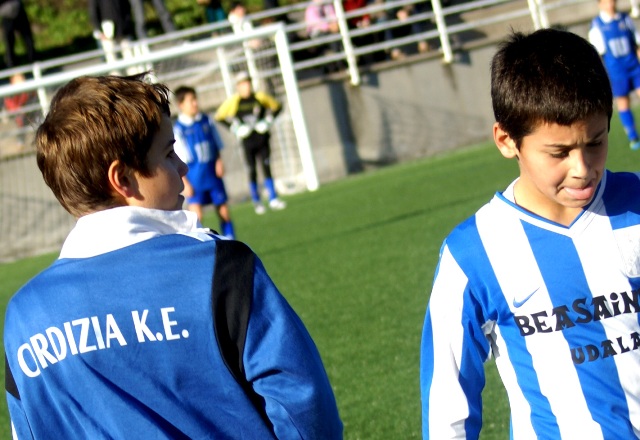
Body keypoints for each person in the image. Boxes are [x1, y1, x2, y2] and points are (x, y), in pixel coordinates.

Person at [4, 73, 343, 439]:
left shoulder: (24, 316)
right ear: (123, 179)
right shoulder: (219, 268)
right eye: (168, 153)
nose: (183, 167)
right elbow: (304, 408)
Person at [420, 28, 640, 438]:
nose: (582, 168)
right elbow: (448, 401)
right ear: (507, 140)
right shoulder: (474, 252)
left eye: (595, 143)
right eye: (559, 152)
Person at [214, 71, 287, 214]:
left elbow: (277, 107)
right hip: (247, 141)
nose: (246, 86)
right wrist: (235, 128)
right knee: (252, 169)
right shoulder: (234, 101)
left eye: (247, 83)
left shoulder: (260, 97)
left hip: (262, 138)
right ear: (238, 86)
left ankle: (273, 198)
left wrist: (268, 121)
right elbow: (219, 116)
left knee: (266, 167)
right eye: (242, 84)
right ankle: (257, 201)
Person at [173, 85, 236, 239]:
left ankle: (231, 241)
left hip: (212, 174)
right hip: (194, 178)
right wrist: (185, 183)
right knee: (197, 217)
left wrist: (219, 161)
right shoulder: (179, 129)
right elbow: (179, 159)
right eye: (191, 100)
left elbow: (216, 144)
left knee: (224, 212)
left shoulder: (206, 121)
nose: (195, 103)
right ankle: (200, 246)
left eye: (195, 99)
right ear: (181, 105)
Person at [589, 0, 640, 151]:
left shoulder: (625, 19)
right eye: (606, 1)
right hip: (617, 72)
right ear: (600, 4)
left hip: (634, 67)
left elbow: (636, 43)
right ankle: (633, 137)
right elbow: (598, 54)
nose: (610, 4)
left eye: (612, 0)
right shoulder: (597, 26)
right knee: (623, 102)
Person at [88, 0, 136, 71]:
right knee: (112, 61)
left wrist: (127, 23)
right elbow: (93, 13)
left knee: (130, 59)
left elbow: (127, 7)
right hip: (106, 34)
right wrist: (99, 31)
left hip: (123, 30)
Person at [0, 0, 35, 68]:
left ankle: (33, 60)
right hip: (7, 14)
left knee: (27, 38)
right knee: (9, 41)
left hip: (17, 10)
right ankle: (11, 64)